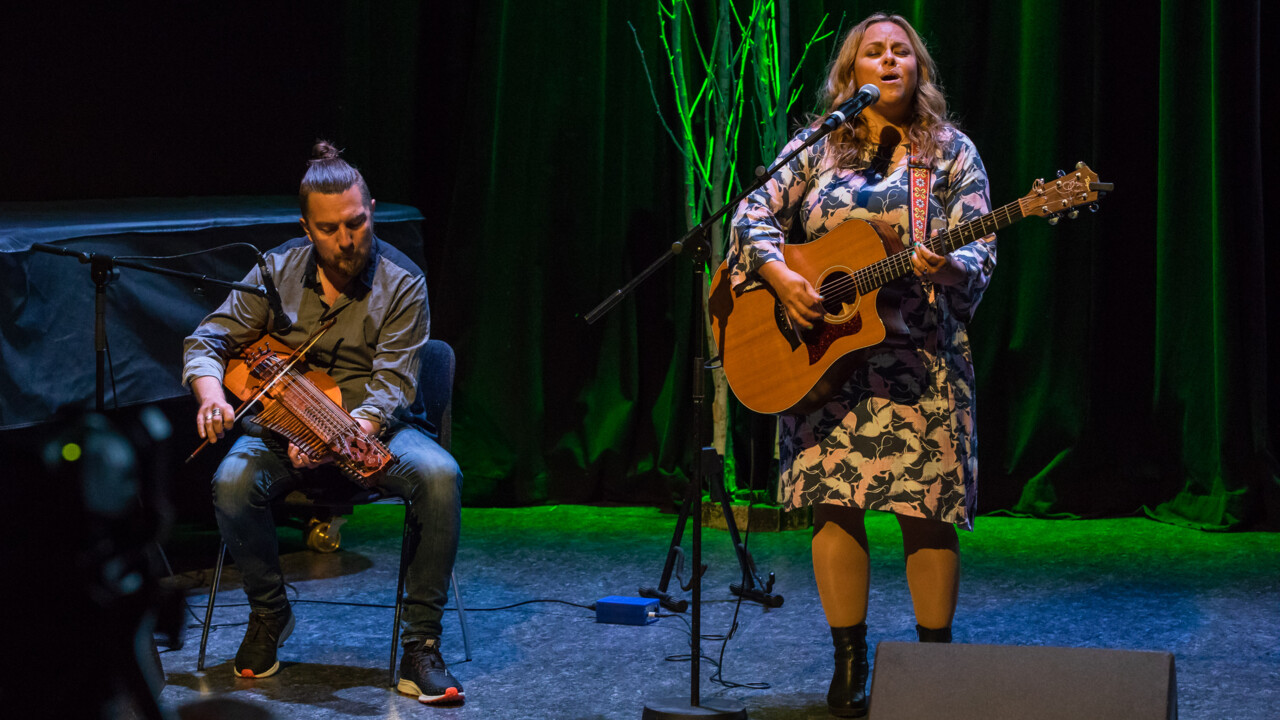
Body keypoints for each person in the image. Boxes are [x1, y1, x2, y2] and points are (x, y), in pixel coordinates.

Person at [727, 13, 996, 718]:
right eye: (872, 52)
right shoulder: (817, 147)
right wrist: (785, 278)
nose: (887, 61)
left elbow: (981, 252)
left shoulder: (950, 153)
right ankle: (849, 662)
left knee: (925, 511)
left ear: (919, 69)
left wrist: (947, 265)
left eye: (900, 51)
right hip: (823, 363)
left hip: (920, 362)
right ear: (850, 75)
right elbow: (749, 216)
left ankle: (932, 666)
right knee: (833, 506)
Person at [182, 141, 465, 705]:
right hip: (278, 430)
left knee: (439, 477)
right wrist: (210, 394)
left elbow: (391, 388)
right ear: (307, 228)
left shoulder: (403, 282)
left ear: (371, 210)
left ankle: (420, 645)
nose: (347, 240)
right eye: (331, 229)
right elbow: (208, 337)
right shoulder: (276, 270)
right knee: (231, 482)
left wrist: (336, 436)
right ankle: (269, 614)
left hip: (374, 428)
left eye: (357, 223)